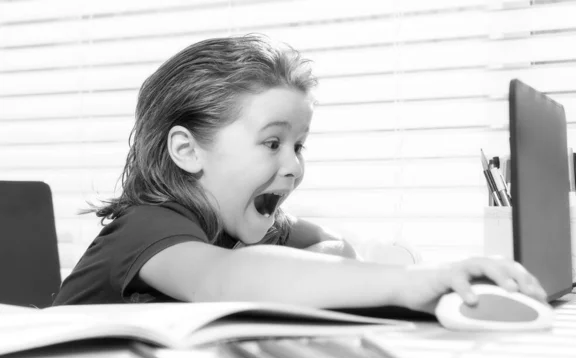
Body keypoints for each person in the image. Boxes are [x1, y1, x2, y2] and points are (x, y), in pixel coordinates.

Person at [52, 34, 547, 313]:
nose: (293, 166)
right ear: (187, 150)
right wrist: (406, 282)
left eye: (299, 145)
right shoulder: (147, 226)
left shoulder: (235, 224)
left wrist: (331, 255)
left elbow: (325, 241)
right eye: (272, 143)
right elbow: (222, 281)